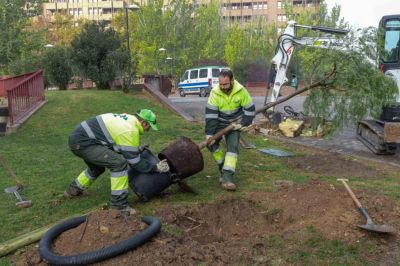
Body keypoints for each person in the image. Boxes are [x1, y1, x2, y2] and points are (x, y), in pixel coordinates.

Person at [64, 109, 170, 216]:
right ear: (143, 122)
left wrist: (136, 150)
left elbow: (117, 144)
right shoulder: (130, 130)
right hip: (84, 143)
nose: (148, 130)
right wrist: (156, 168)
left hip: (80, 138)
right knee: (119, 163)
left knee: (97, 168)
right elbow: (135, 163)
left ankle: (73, 190)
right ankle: (119, 206)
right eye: (149, 127)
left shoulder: (127, 119)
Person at [205, 69, 255, 191]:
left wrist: (243, 123)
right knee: (211, 145)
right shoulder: (215, 93)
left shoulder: (241, 91)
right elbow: (211, 116)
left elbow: (250, 110)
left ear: (232, 81)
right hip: (219, 123)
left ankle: (227, 178)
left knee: (232, 149)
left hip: (234, 124)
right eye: (221, 84)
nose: (222, 87)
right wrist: (209, 135)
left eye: (225, 84)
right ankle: (222, 167)